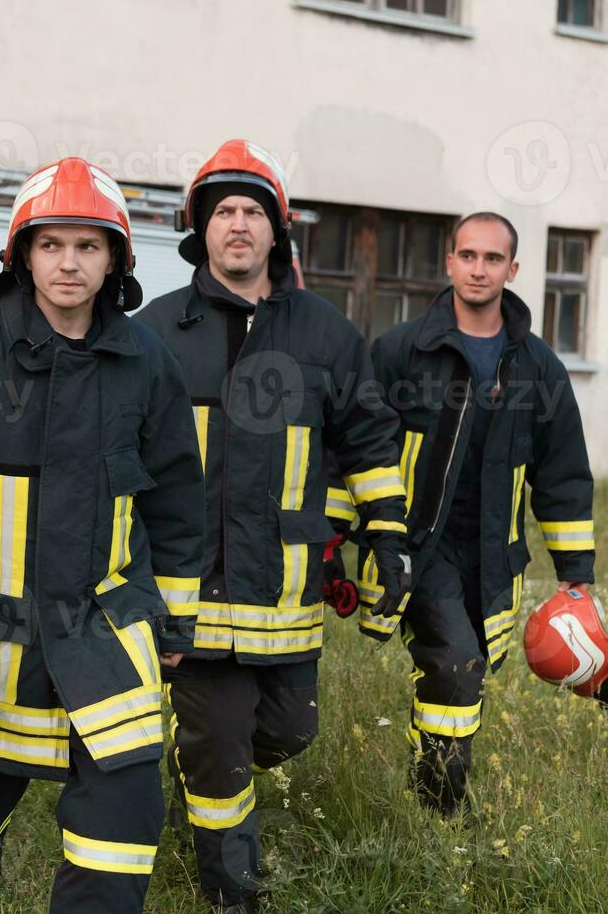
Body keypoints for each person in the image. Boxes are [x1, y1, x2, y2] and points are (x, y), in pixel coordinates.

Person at [0, 158, 205, 912]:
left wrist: (175, 619)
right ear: (22, 253)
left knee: (122, 828)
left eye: (88, 247)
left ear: (116, 259)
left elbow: (179, 502)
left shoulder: (147, 362)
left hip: (109, 638)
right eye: (51, 244)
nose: (69, 263)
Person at [135, 140, 411, 913]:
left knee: (290, 734)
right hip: (192, 596)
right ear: (201, 227)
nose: (238, 224)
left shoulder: (324, 334)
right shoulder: (157, 332)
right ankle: (233, 893)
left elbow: (369, 437)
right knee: (222, 750)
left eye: (253, 211)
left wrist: (385, 534)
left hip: (287, 599)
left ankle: (198, 768)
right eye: (223, 210)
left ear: (275, 230)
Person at [365, 211, 595, 815]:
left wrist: (575, 572)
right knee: (459, 665)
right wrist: (343, 545)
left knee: (464, 670)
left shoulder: (537, 367)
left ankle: (427, 782)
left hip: (494, 553)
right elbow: (358, 448)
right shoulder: (400, 352)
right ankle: (442, 805)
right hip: (422, 547)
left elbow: (562, 471)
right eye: (467, 255)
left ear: (512, 270)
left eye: (493, 259)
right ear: (449, 262)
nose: (478, 268)